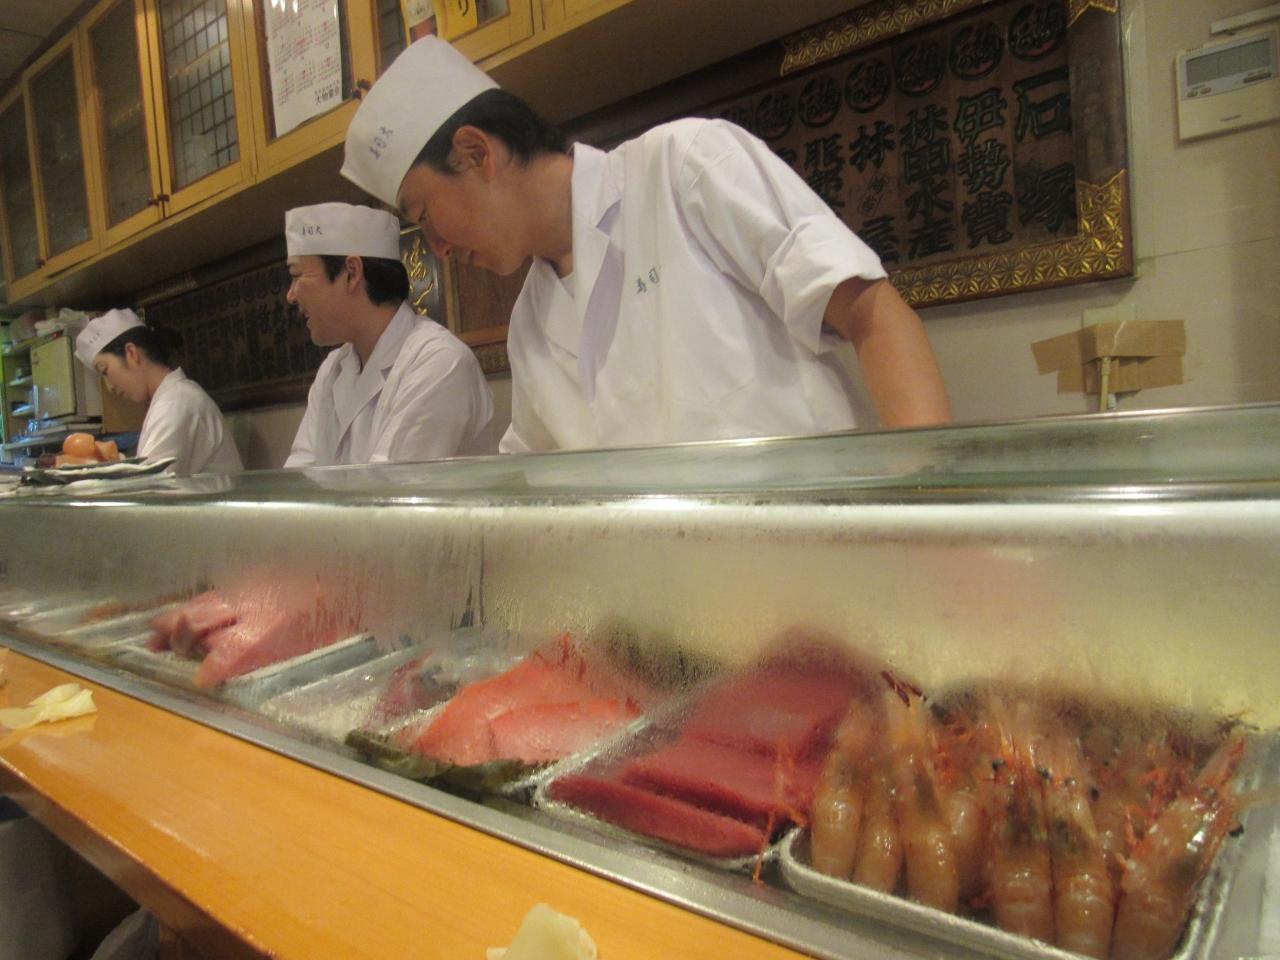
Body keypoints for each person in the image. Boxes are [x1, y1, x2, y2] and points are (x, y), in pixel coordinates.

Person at [340, 37, 951, 454]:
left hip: (823, 569)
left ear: (477, 153)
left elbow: (871, 313)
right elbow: (535, 485)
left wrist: (934, 512)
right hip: (675, 601)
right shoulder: (531, 322)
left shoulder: (683, 167)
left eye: (425, 215)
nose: (438, 248)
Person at [282, 202, 494, 466]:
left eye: (296, 275)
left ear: (351, 273)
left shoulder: (438, 360)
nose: (291, 295)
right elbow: (301, 474)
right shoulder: (332, 369)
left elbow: (391, 486)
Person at [74, 309, 244, 476]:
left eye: (105, 371)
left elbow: (150, 486)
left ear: (131, 353)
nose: (109, 386)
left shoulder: (175, 403)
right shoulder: (169, 399)